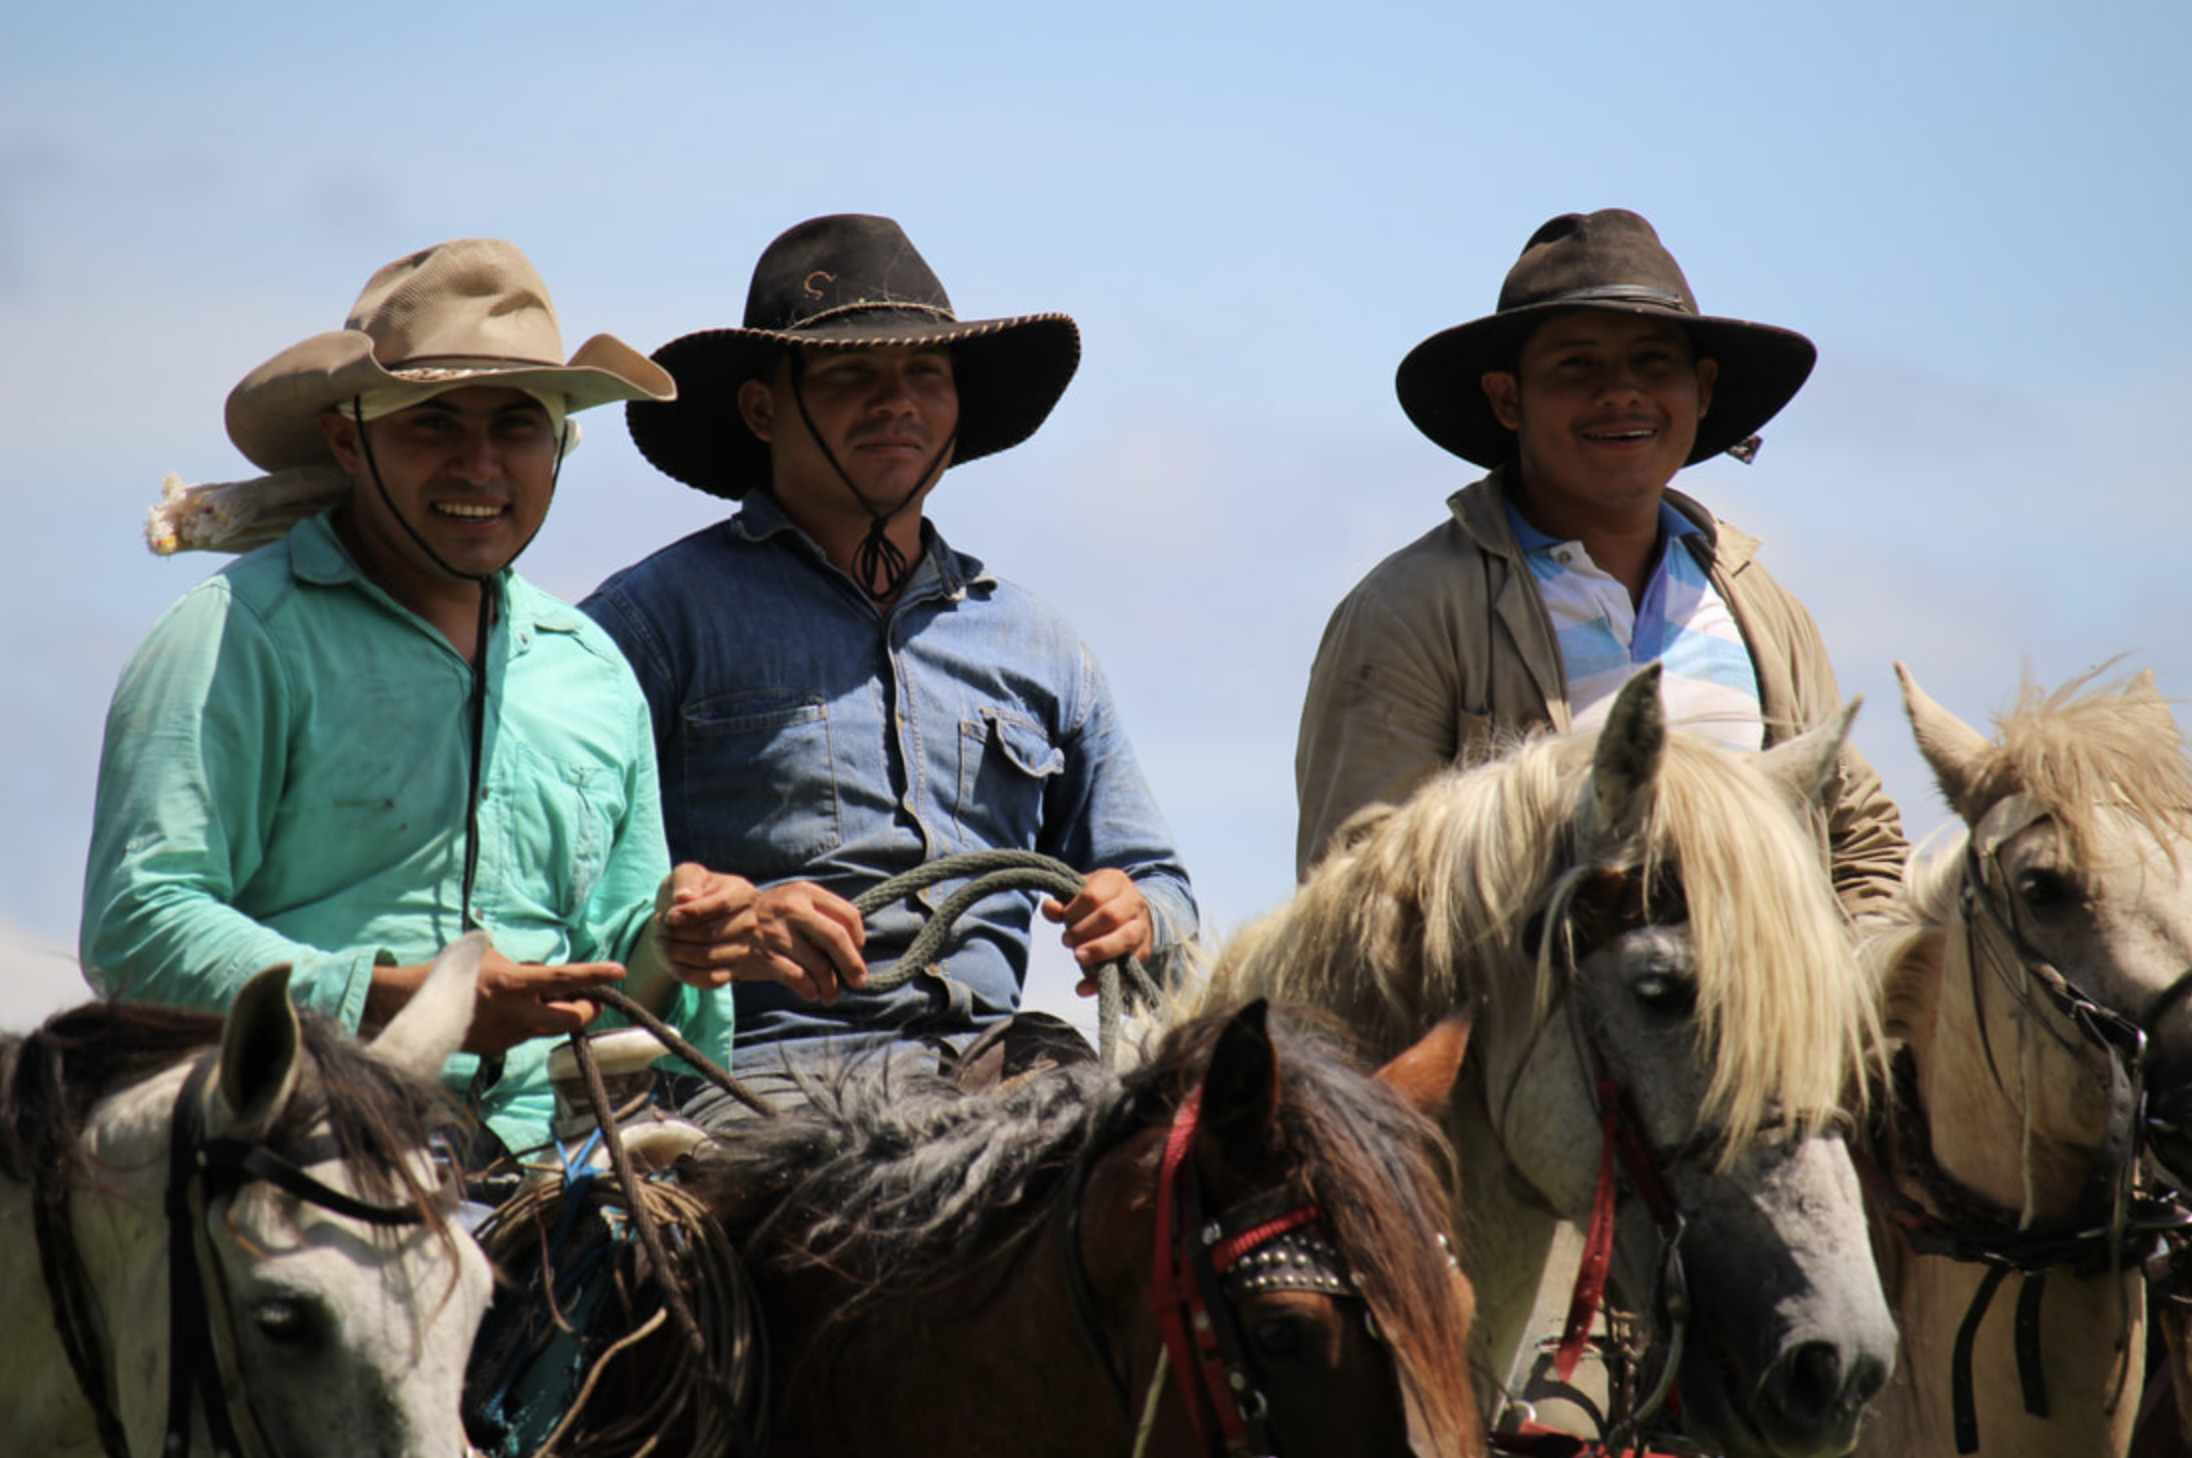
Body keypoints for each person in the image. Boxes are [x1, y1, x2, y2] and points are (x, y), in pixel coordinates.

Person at [81, 238, 756, 1161]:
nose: (480, 466)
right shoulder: (237, 635)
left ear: (558, 441)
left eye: (517, 426)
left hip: (551, 1180)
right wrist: (399, 1000)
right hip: (298, 1162)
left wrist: (683, 938)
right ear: (347, 438)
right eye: (434, 422)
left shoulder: (591, 671)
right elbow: (139, 925)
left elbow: (613, 977)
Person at [581, 214, 1197, 1094]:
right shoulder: (652, 623)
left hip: (1004, 1067)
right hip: (763, 1079)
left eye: (925, 373)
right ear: (762, 408)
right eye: (849, 373)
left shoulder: (1038, 643)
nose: (895, 400)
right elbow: (559, 897)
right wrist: (719, 923)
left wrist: (1139, 917)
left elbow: (1157, 879)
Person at [1296, 209, 1907, 914]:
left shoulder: (1764, 612)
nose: (1620, 391)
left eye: (1653, 361)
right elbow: (1353, 890)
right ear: (1507, 398)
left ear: (1702, 391)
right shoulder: (1412, 610)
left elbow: (1862, 850)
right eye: (1576, 364)